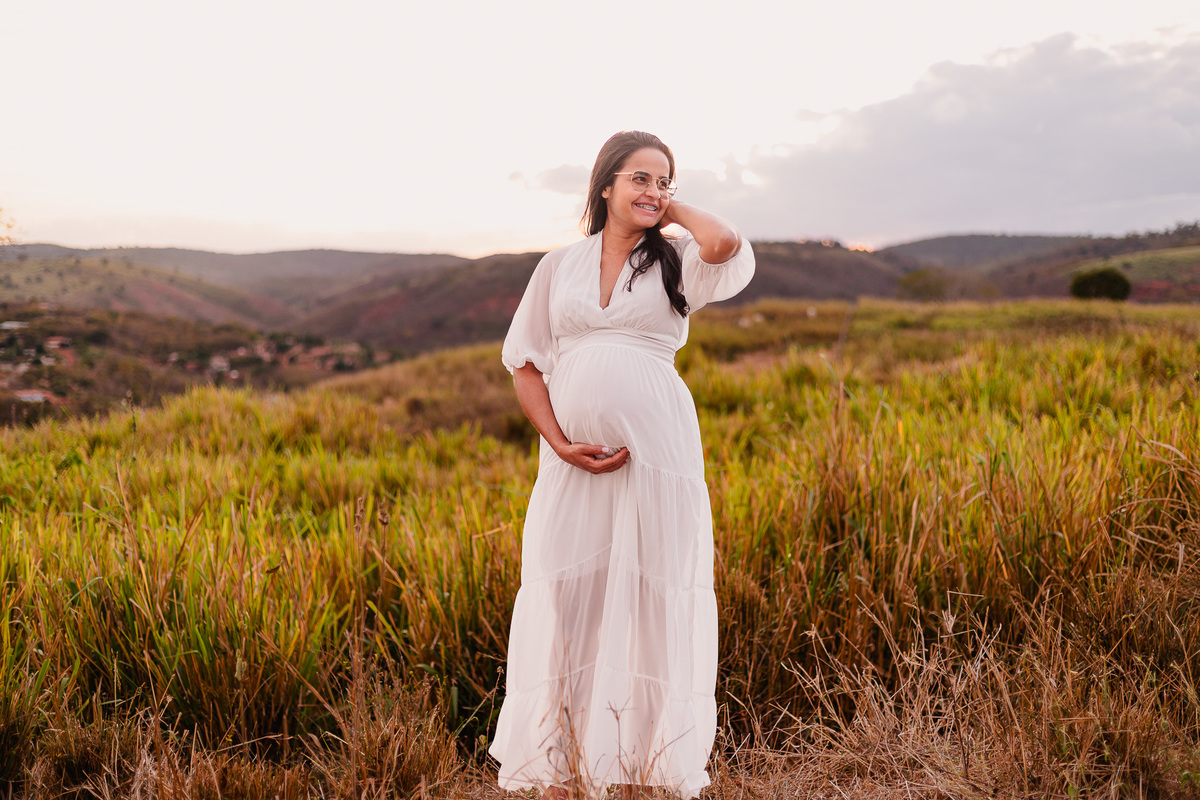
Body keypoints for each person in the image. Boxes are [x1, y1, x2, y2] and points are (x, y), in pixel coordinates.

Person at [489, 131, 755, 799]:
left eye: (663, 180)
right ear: (604, 185)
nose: (652, 190)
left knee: (653, 592)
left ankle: (649, 762)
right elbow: (524, 362)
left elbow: (725, 244)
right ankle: (563, 761)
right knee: (565, 590)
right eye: (638, 178)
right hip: (573, 463)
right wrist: (556, 439)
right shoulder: (560, 265)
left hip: (657, 453)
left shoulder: (678, 259)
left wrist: (673, 210)